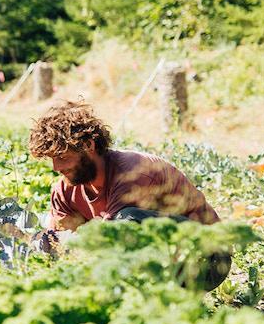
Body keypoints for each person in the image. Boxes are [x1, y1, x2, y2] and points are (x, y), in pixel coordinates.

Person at [28, 100, 229, 288]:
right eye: (52, 159)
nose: (56, 167)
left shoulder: (133, 172)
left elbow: (113, 239)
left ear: (88, 146)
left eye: (62, 157)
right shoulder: (64, 191)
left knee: (127, 221)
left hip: (206, 259)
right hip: (157, 262)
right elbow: (58, 243)